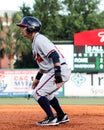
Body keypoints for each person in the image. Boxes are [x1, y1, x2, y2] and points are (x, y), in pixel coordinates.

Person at [16, 16, 71, 126]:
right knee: (47, 94)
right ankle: (61, 115)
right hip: (56, 69)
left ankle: (51, 118)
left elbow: (55, 55)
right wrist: (37, 79)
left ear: (30, 28)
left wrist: (58, 74)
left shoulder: (39, 40)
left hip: (58, 70)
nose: (22, 29)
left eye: (24, 27)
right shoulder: (35, 41)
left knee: (37, 93)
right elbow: (44, 64)